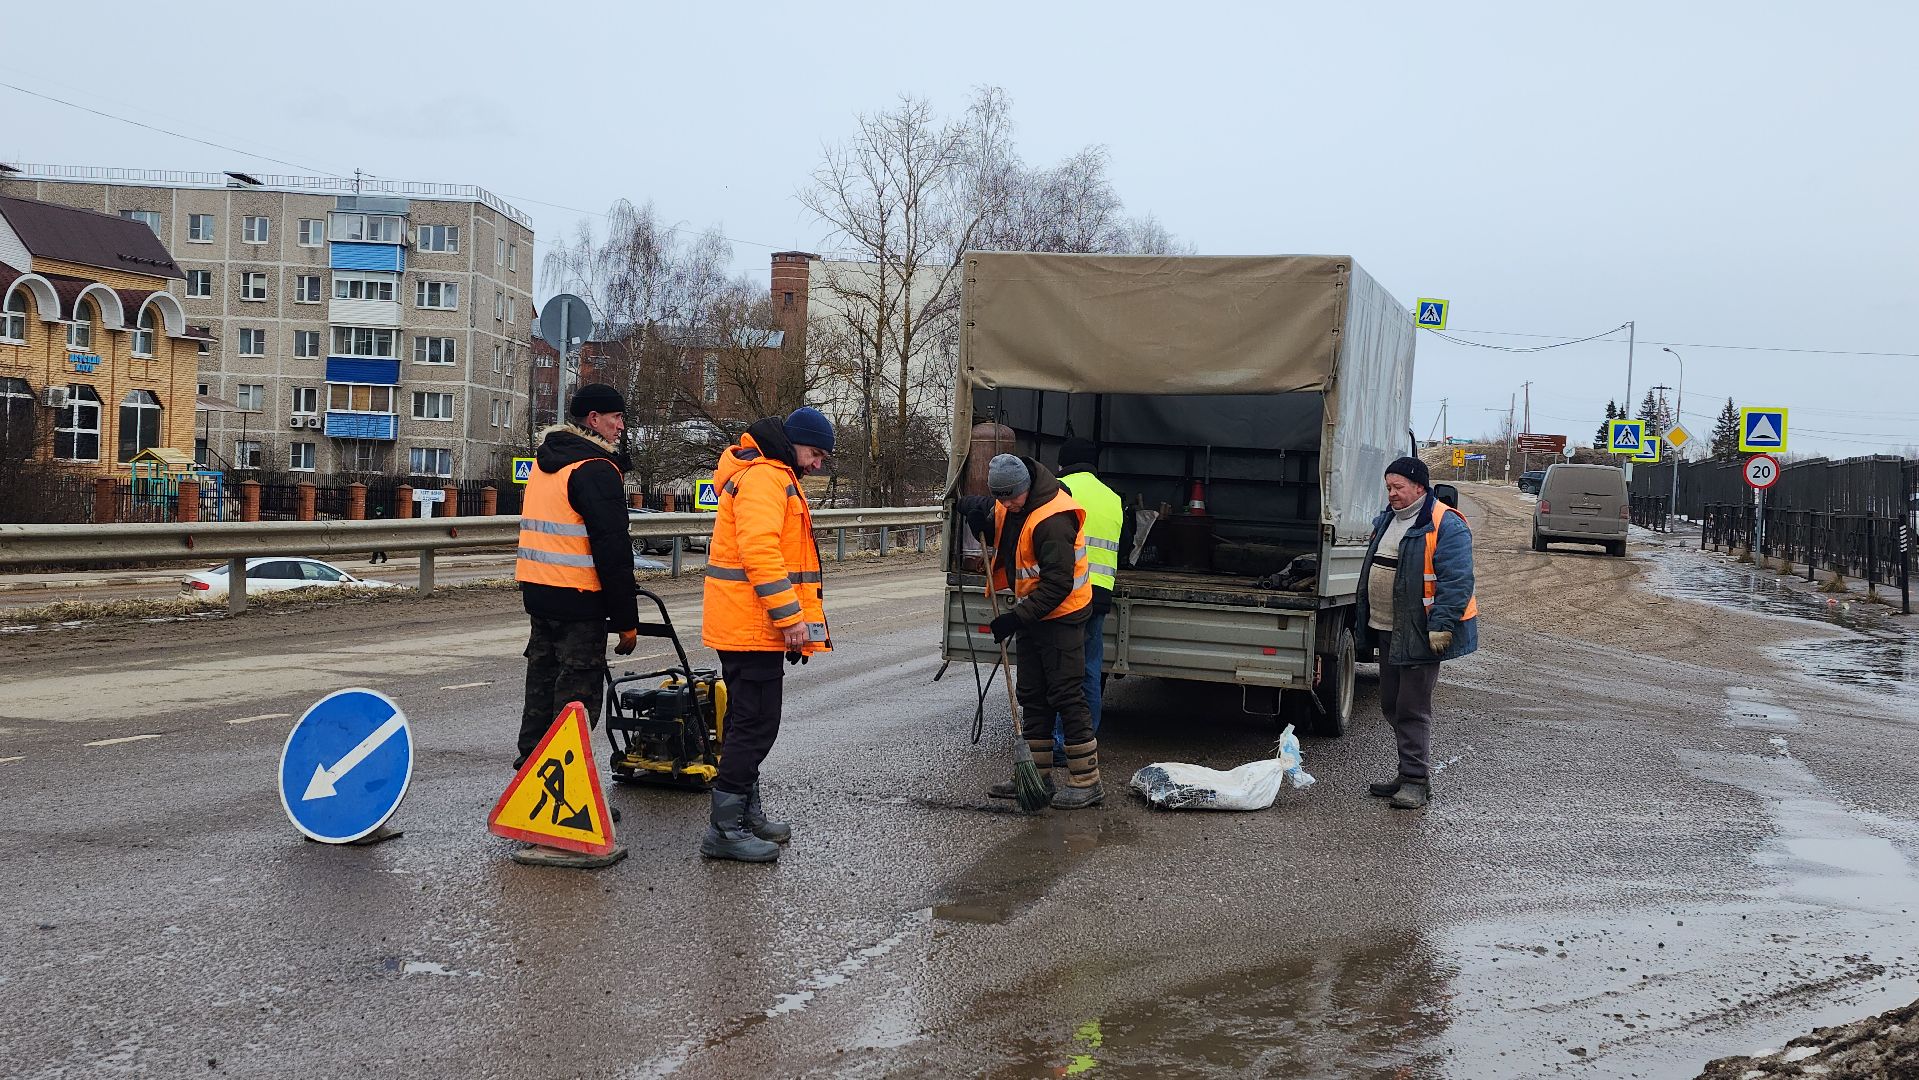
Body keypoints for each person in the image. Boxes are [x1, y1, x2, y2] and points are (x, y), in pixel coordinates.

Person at [699, 406, 835, 862]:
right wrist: (791, 619)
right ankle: (725, 828)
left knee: (747, 721)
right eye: (815, 453)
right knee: (755, 726)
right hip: (750, 625)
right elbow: (761, 554)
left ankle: (744, 815)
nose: (817, 464)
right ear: (793, 442)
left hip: (750, 624)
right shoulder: (764, 479)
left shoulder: (774, 475)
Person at [961, 453, 1103, 809]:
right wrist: (976, 512)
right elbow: (1003, 522)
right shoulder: (1016, 503)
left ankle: (1087, 780)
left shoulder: (1054, 520)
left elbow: (1057, 585)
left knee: (1066, 695)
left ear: (1026, 487)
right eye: (1001, 498)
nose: (1007, 504)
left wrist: (1015, 618)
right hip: (1035, 617)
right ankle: (1035, 778)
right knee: (1033, 694)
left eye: (1011, 497)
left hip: (1063, 616)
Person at [515, 382, 641, 773]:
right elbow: (613, 552)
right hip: (579, 601)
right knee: (577, 698)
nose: (621, 426)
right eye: (617, 418)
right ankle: (566, 790)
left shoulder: (544, 462)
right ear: (594, 419)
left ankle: (530, 776)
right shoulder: (596, 470)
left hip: (539, 594)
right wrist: (626, 621)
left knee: (540, 687)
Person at [1352, 455, 1478, 810]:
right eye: (1389, 487)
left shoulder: (1446, 524)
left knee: (1412, 707)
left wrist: (1440, 626)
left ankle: (1415, 781)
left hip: (1422, 633)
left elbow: (1457, 582)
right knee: (1391, 702)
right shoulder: (1387, 520)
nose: (1391, 494)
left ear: (1419, 487)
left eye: (1399, 487)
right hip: (1388, 628)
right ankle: (1407, 770)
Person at [1044, 437, 1133, 767]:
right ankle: (1083, 739)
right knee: (1090, 670)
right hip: (1099, 597)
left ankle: (1059, 742)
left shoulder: (1057, 490)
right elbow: (1122, 552)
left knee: (1060, 671)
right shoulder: (1113, 498)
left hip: (1065, 593)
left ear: (1063, 463)